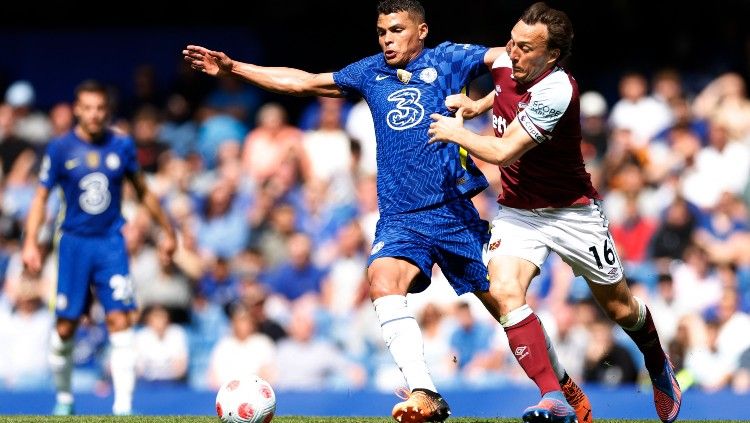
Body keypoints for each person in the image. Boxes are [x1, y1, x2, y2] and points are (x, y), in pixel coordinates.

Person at [183, 1, 587, 422]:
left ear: (422, 30)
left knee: (507, 305)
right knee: (381, 279)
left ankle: (559, 388)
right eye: (381, 32)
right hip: (399, 218)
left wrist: (485, 102)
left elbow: (508, 55)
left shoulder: (447, 58)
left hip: (454, 213)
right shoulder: (369, 72)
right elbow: (303, 82)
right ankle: (424, 392)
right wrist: (235, 68)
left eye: (396, 30)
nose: (387, 39)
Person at [427, 3, 681, 423]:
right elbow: (505, 87)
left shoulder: (559, 90)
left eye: (526, 48)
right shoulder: (510, 59)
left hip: (572, 213)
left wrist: (458, 130)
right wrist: (480, 104)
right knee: (506, 293)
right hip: (517, 212)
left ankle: (656, 362)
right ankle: (556, 393)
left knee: (619, 309)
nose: (513, 52)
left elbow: (504, 151)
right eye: (512, 40)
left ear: (553, 56)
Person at [22, 79, 177, 416]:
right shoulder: (60, 148)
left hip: (110, 243)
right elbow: (40, 197)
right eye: (87, 108)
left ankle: (123, 407)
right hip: (73, 243)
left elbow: (144, 190)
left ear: (107, 111)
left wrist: (168, 230)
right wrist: (31, 242)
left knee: (120, 318)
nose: (94, 115)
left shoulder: (121, 146)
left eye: (100, 109)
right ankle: (64, 399)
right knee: (66, 326)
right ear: (78, 110)